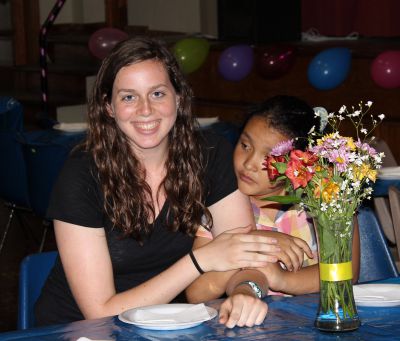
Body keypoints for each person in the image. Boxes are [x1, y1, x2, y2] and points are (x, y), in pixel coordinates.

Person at [34, 36, 281, 327]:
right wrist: (200, 261)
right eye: (128, 97)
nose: (145, 110)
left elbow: (241, 255)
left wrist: (244, 292)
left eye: (157, 94)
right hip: (84, 330)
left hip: (173, 326)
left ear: (178, 97)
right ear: (109, 107)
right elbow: (101, 313)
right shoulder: (81, 176)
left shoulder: (210, 155)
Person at [186, 95, 360, 307]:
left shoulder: (324, 200)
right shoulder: (220, 206)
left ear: (301, 162)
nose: (249, 163)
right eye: (245, 145)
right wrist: (250, 243)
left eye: (270, 158)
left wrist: (282, 279)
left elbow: (346, 272)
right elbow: (198, 293)